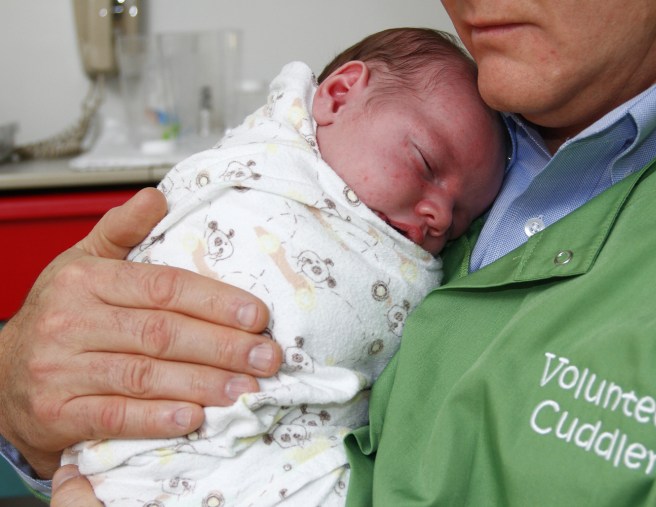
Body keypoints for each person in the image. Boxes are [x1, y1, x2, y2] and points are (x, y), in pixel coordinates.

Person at [4, 0, 656, 505]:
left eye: (451, 207)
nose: (432, 220)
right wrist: (19, 402)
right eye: (425, 167)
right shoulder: (392, 127)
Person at [60, 28, 506, 506]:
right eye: (424, 162)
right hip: (148, 438)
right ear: (337, 96)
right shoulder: (261, 169)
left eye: (461, 218)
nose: (439, 216)